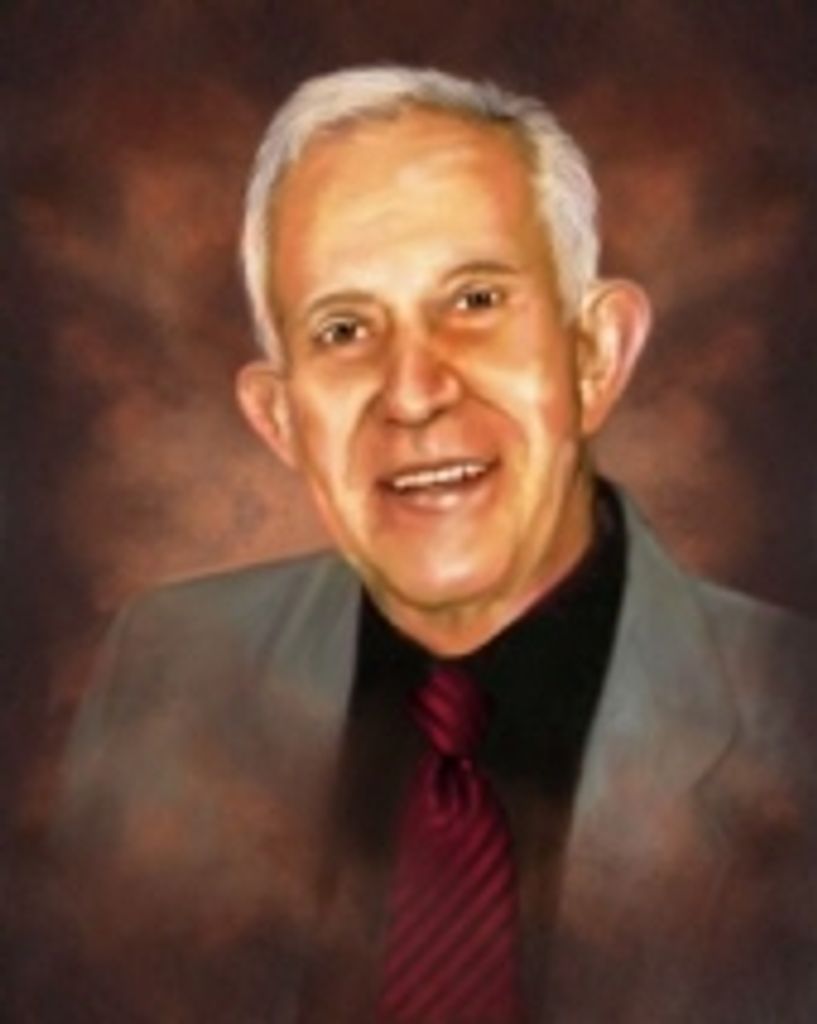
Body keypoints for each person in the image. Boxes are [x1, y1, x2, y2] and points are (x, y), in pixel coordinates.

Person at [53, 66, 817, 1023]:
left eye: (475, 301)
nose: (413, 393)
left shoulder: (794, 714)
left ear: (593, 356)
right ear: (281, 419)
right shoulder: (165, 672)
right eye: (343, 328)